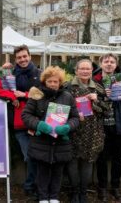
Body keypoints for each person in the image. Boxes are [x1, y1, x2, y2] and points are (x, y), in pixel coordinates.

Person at [22, 66, 79, 203]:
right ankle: (42, 197)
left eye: (56, 81)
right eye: (50, 81)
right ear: (44, 82)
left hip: (61, 142)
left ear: (60, 82)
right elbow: (26, 115)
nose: (53, 84)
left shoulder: (67, 96)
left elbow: (75, 118)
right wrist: (38, 124)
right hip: (42, 141)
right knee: (42, 171)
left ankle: (54, 197)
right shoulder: (37, 95)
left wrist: (67, 127)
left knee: (58, 171)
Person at [0, 44, 41, 199]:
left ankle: (34, 186)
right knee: (30, 155)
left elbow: (44, 93)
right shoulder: (9, 73)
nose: (23, 59)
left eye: (25, 56)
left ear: (30, 56)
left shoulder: (39, 73)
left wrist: (24, 95)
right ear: (15, 59)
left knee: (37, 155)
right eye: (19, 57)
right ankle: (31, 186)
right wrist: (12, 96)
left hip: (37, 121)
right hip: (19, 124)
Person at [92, 53, 121, 202]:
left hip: (118, 125)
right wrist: (103, 96)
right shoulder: (93, 79)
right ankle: (102, 187)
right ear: (101, 63)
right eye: (106, 61)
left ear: (116, 64)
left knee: (117, 158)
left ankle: (115, 187)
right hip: (100, 126)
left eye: (112, 61)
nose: (109, 64)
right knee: (101, 159)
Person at [66, 59, 110, 203]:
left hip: (93, 133)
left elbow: (108, 111)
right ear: (76, 70)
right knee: (72, 163)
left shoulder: (98, 88)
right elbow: (60, 109)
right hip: (73, 131)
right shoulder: (67, 88)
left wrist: (96, 101)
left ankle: (83, 192)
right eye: (82, 69)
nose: (85, 71)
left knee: (87, 163)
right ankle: (74, 192)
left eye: (88, 69)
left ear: (92, 70)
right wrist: (74, 114)